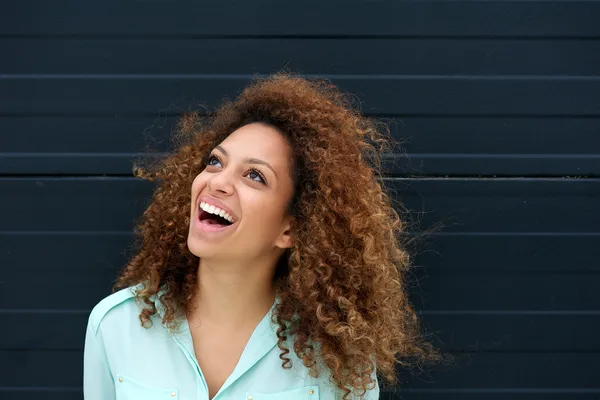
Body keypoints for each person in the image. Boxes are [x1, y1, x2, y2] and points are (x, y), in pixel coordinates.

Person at [83, 73, 439, 399]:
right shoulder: (115, 326)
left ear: (291, 229)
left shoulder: (340, 361)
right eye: (215, 161)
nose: (217, 181)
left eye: (254, 176)